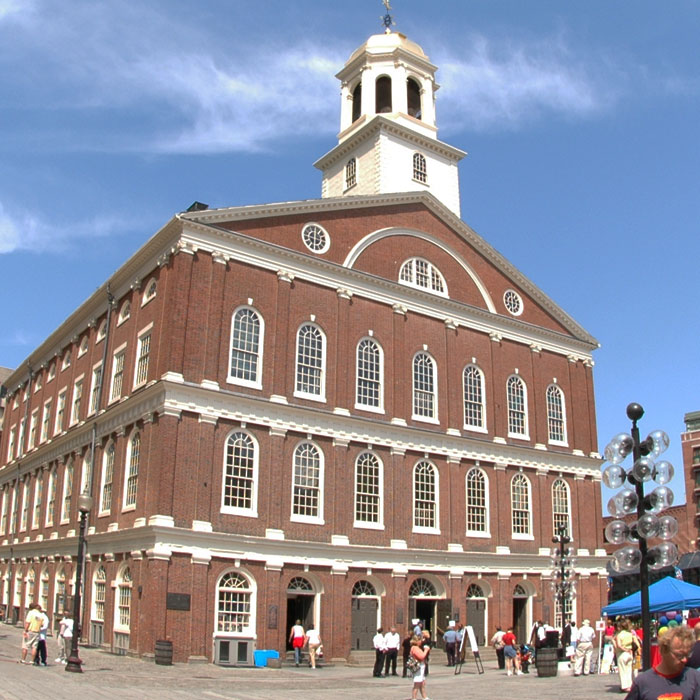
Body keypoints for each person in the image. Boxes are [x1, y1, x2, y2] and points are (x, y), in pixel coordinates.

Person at [624, 625, 700, 699]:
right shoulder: (642, 682)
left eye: (687, 655)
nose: (684, 660)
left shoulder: (695, 678)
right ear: (664, 650)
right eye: (679, 655)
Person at [615, 618, 641, 693]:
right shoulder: (630, 634)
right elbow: (636, 642)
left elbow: (619, 645)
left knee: (622, 670)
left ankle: (624, 686)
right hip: (630, 653)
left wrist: (625, 649)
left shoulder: (619, 635)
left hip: (622, 654)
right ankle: (630, 686)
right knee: (629, 670)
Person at [410, 635, 430, 700]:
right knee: (417, 683)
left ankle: (424, 697)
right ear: (417, 641)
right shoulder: (414, 648)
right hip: (418, 668)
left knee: (422, 683)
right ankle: (414, 698)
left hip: (421, 667)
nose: (421, 641)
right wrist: (426, 650)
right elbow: (421, 656)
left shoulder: (417, 647)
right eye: (420, 640)